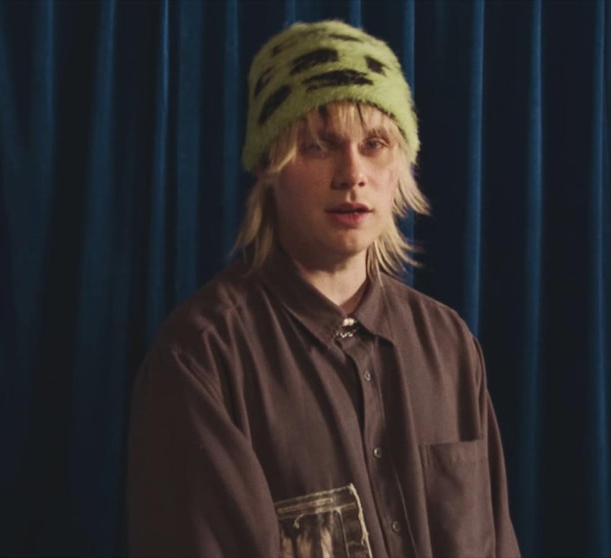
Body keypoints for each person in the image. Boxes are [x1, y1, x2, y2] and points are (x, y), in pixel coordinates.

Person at [127, 19, 520, 557]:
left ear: (401, 167)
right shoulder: (202, 358)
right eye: (318, 145)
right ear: (270, 165)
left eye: (375, 144)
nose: (352, 174)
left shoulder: (449, 344)